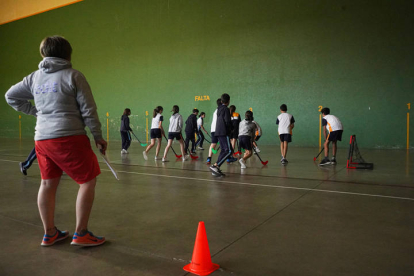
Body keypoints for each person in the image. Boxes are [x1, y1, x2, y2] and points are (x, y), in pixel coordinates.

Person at [5, 35, 106, 246]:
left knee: (47, 183)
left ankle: (50, 233)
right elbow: (89, 110)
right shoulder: (74, 76)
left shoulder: (34, 78)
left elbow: (10, 96)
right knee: (87, 181)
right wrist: (97, 136)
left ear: (44, 54)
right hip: (69, 136)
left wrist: (38, 113)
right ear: (68, 54)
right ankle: (81, 233)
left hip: (42, 139)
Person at [209, 93, 233, 176]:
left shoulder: (219, 109)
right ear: (228, 101)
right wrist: (231, 130)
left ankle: (216, 168)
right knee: (229, 151)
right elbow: (227, 121)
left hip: (218, 132)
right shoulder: (226, 109)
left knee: (224, 150)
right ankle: (216, 165)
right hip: (223, 132)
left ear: (222, 101)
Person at [206, 98, 221, 164]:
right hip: (219, 129)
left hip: (213, 129)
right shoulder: (221, 110)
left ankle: (209, 158)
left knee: (213, 143)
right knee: (224, 144)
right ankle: (228, 158)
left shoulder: (215, 111)